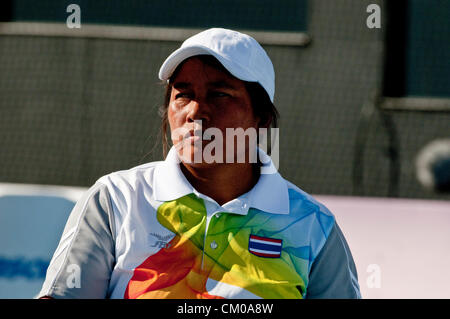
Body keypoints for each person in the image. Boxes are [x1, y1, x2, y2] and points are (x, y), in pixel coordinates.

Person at [37, 28, 361, 299]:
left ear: (261, 118)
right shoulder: (115, 199)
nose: (195, 112)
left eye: (219, 94)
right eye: (183, 94)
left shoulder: (313, 227)